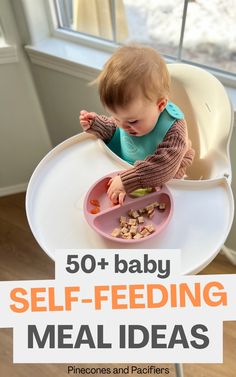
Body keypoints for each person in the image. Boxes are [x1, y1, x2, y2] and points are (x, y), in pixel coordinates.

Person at [80, 44, 195, 205]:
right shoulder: (127, 117)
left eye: (132, 121)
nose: (123, 126)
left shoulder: (174, 131)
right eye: (116, 117)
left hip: (164, 182)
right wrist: (98, 125)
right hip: (125, 171)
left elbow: (163, 168)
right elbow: (116, 132)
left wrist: (127, 181)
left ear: (160, 105)